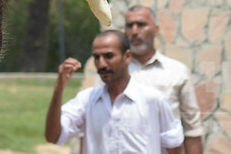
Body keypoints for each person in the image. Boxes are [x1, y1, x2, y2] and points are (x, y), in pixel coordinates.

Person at [45, 30, 184, 154]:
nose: (102, 64)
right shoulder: (87, 101)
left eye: (108, 56)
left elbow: (174, 146)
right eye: (97, 57)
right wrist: (59, 89)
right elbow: (53, 136)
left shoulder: (153, 100)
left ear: (127, 56)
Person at [125, 5, 204, 154]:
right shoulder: (114, 73)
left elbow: (192, 129)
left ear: (156, 30)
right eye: (130, 26)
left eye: (141, 24)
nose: (134, 31)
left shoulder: (177, 72)